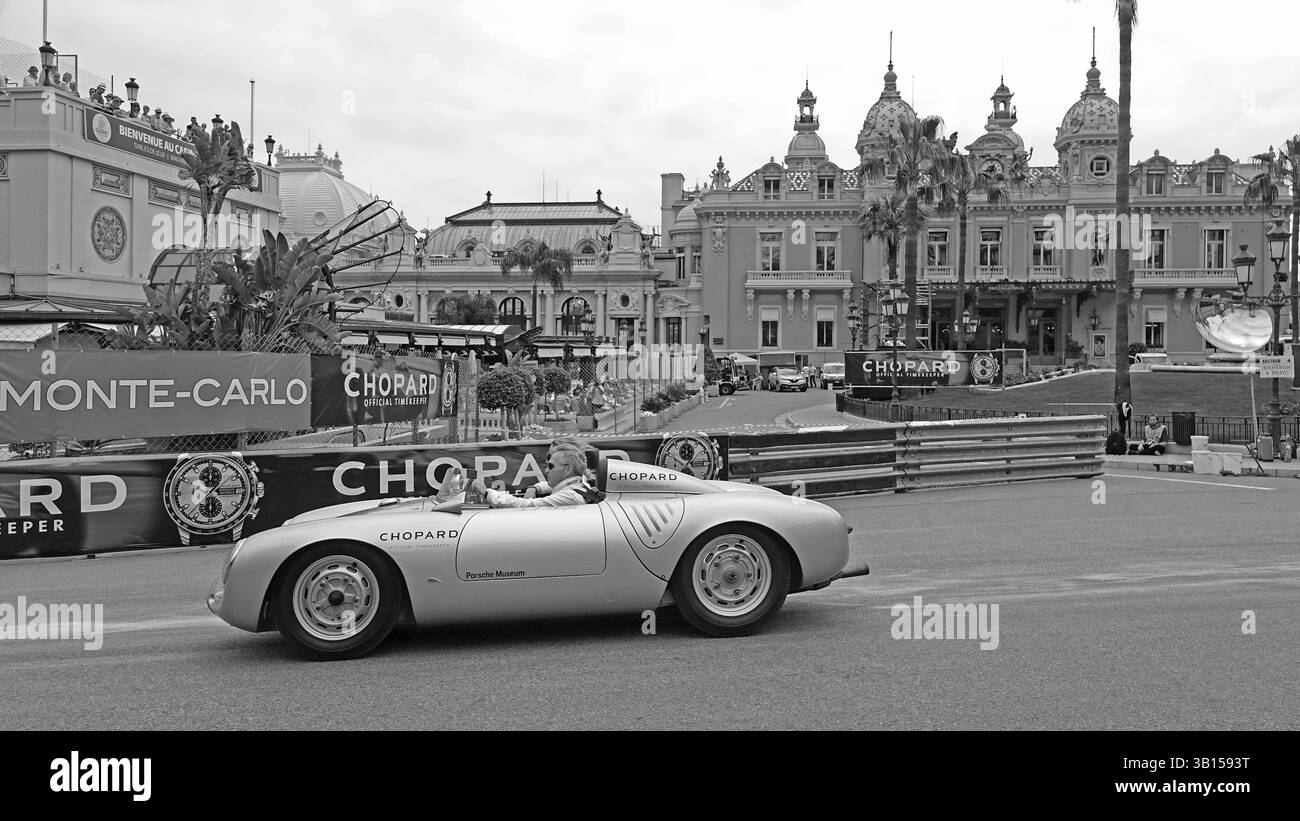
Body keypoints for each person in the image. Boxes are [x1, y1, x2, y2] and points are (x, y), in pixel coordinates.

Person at [437, 447, 594, 509]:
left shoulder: (569, 497)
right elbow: (549, 485)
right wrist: (535, 488)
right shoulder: (581, 484)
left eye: (551, 466)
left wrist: (487, 493)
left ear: (568, 470)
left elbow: (526, 506)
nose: (546, 470)